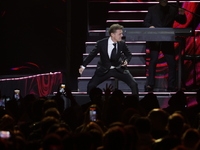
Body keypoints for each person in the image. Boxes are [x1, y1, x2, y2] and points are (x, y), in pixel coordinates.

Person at [79, 24, 138, 96]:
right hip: (104, 69)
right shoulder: (101, 43)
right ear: (112, 34)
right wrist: (83, 66)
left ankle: (136, 104)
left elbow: (128, 55)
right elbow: (91, 55)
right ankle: (92, 104)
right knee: (91, 85)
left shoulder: (122, 44)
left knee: (134, 84)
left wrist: (126, 61)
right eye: (119, 34)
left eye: (121, 33)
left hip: (118, 68)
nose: (121, 35)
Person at [143, 0, 187, 92]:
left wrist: (182, 14)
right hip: (155, 39)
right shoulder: (152, 9)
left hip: (167, 39)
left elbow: (182, 21)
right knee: (153, 61)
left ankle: (171, 85)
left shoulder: (172, 9)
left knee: (171, 63)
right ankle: (150, 84)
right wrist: (150, 26)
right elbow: (146, 22)